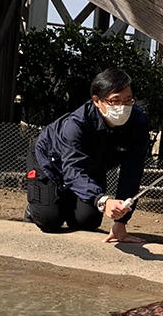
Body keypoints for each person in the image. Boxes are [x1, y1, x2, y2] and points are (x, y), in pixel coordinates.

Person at [25, 67, 151, 243]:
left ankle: (70, 201)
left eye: (128, 100)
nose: (122, 107)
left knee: (87, 222)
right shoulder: (76, 124)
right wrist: (103, 200)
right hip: (51, 160)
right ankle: (36, 208)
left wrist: (120, 222)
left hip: (92, 165)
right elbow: (71, 170)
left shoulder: (138, 122)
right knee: (49, 220)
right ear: (97, 101)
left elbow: (132, 169)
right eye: (115, 101)